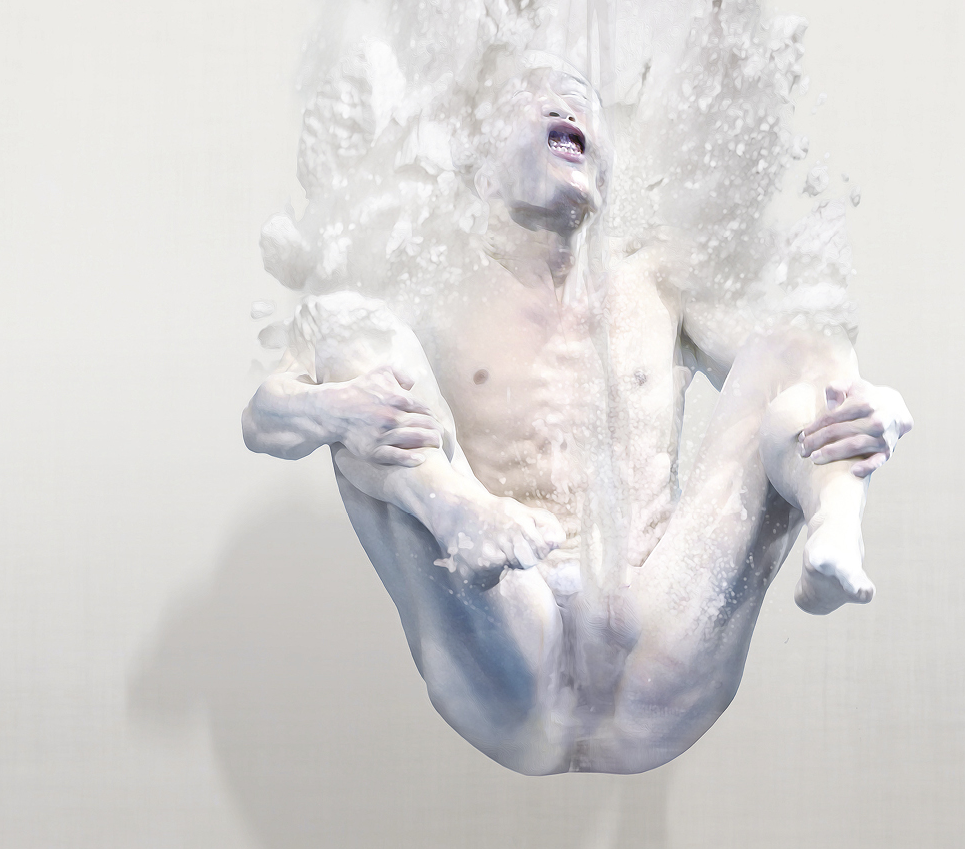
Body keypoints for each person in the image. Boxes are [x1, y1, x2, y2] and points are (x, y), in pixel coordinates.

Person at [242, 67, 913, 774]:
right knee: (355, 343)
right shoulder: (435, 287)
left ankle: (837, 524)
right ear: (481, 164)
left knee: (799, 342)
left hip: (661, 645)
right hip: (506, 646)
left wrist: (878, 404)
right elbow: (264, 417)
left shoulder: (658, 280)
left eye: (583, 99)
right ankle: (452, 508)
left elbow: (797, 368)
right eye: (533, 91)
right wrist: (339, 410)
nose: (566, 102)